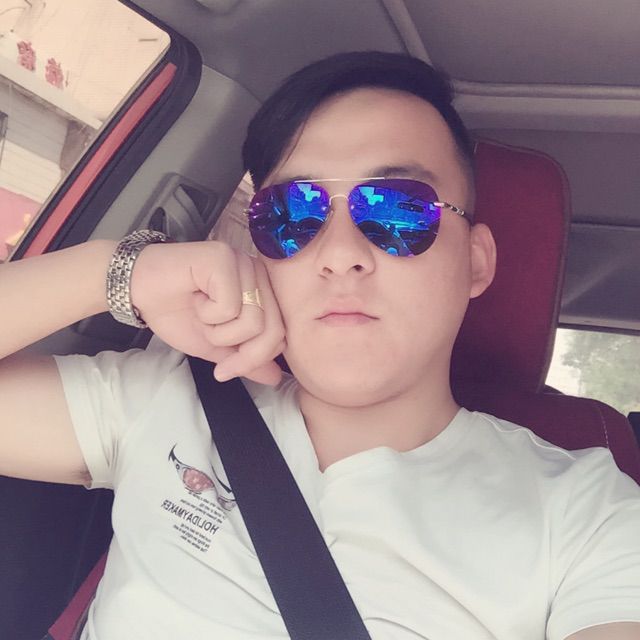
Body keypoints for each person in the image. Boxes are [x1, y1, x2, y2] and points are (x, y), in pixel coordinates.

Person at [1, 51, 639, 640]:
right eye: (291, 214)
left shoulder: (585, 513)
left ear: (475, 261)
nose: (338, 254)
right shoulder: (169, 394)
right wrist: (119, 271)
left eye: (397, 209)